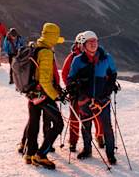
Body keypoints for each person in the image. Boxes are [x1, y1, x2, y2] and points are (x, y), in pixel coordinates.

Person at [67, 30, 118, 164]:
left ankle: (110, 154)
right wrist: (74, 87)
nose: (93, 44)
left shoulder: (106, 58)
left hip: (102, 99)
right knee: (86, 125)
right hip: (85, 98)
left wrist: (107, 91)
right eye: (90, 42)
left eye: (95, 41)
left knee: (107, 126)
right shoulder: (78, 61)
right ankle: (87, 149)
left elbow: (113, 75)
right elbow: (71, 77)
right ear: (84, 45)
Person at [23, 23, 65, 169]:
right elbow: (45, 80)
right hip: (43, 95)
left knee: (34, 122)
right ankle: (41, 155)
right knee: (59, 123)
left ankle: (30, 153)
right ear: (53, 37)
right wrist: (56, 96)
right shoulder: (46, 53)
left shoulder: (35, 47)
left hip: (31, 93)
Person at [61, 32, 104, 152]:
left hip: (90, 92)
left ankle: (100, 136)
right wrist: (71, 88)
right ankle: (73, 142)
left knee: (95, 115)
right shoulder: (73, 57)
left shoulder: (92, 56)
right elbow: (65, 75)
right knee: (75, 118)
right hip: (76, 93)